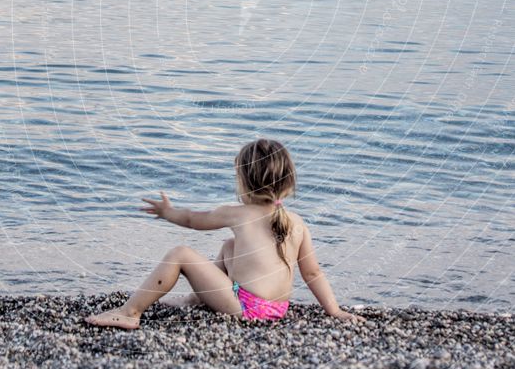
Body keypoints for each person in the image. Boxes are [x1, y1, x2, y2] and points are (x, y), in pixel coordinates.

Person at [85, 138, 364, 328]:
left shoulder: (238, 213)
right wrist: (335, 311)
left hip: (247, 308)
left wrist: (168, 213)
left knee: (180, 254)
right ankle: (197, 299)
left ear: (244, 182)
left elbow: (195, 220)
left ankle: (130, 312)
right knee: (231, 246)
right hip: (277, 310)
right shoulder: (297, 222)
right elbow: (313, 273)